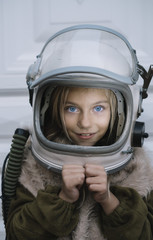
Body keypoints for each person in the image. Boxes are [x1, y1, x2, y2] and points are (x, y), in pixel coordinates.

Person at [5, 25, 153, 240]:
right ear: (49, 108)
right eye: (71, 108)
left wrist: (108, 199)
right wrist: (63, 198)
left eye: (99, 108)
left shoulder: (137, 169)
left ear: (125, 109)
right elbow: (17, 234)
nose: (85, 123)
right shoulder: (32, 167)